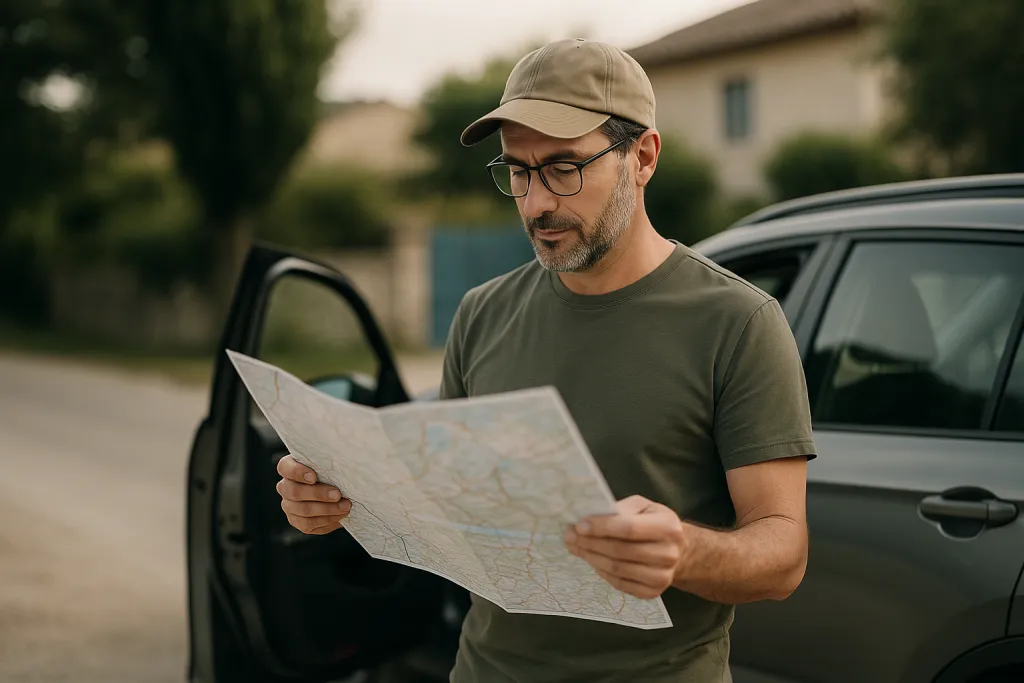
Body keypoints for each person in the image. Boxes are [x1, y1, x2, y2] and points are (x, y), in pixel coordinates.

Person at [276, 38, 816, 683]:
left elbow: (783, 553)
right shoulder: (482, 313)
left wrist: (686, 551)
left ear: (642, 157)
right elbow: (451, 505)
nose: (536, 203)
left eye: (563, 167)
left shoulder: (739, 322)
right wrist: (340, 499)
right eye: (519, 172)